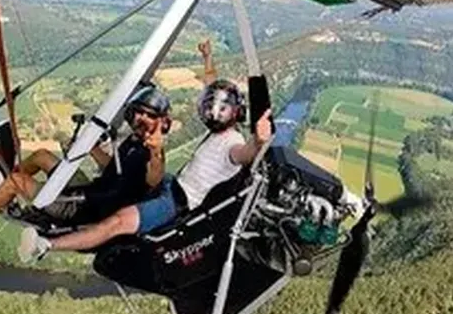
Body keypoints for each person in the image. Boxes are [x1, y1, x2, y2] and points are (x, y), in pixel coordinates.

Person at [18, 38, 273, 263]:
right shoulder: (220, 132)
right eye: (209, 106)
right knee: (129, 182)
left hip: (177, 204)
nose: (210, 112)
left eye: (216, 109)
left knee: (117, 222)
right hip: (173, 185)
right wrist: (207, 57)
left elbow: (246, 153)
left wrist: (260, 141)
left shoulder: (232, 143)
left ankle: (46, 245)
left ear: (235, 114)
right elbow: (211, 86)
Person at [0, 84, 171, 230]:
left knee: (18, 182)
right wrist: (92, 148)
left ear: (161, 121)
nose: (141, 118)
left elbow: (154, 179)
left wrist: (157, 150)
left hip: (84, 209)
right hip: (90, 189)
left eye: (149, 115)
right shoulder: (134, 141)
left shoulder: (151, 151)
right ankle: (0, 189)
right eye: (139, 112)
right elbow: (113, 168)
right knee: (42, 155)